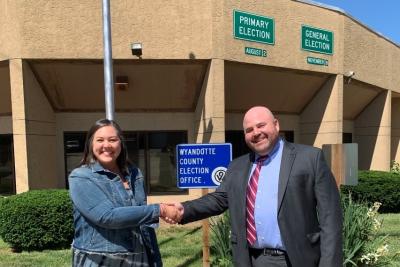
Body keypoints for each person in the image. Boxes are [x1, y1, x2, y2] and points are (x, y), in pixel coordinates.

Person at [166, 106, 343, 267]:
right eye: (249, 130)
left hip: (297, 258)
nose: (255, 133)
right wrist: (184, 210)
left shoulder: (309, 158)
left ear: (276, 125)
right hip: (252, 260)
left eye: (261, 126)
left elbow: (331, 218)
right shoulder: (237, 166)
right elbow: (219, 199)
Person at [68, 119, 177, 267]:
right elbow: (107, 217)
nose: (106, 145)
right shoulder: (81, 176)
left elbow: (141, 221)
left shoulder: (133, 173)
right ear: (91, 144)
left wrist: (154, 258)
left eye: (112, 140)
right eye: (100, 140)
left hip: (138, 257)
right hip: (99, 259)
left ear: (121, 143)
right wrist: (160, 210)